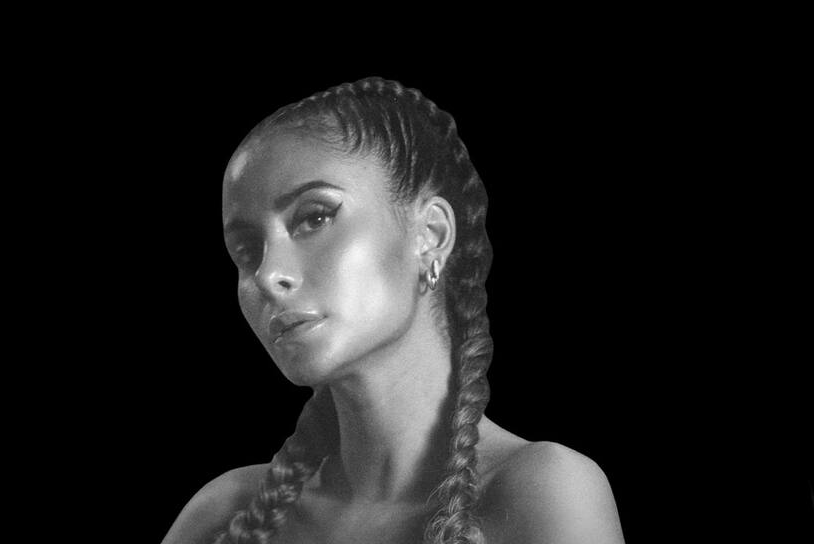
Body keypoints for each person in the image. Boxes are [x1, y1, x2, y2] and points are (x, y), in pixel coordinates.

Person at [163, 77, 625, 544]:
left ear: (431, 235)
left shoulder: (543, 491)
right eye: (247, 250)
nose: (267, 275)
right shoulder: (223, 513)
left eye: (314, 217)